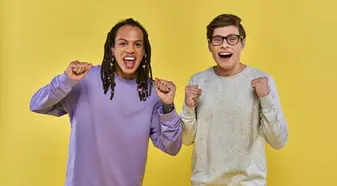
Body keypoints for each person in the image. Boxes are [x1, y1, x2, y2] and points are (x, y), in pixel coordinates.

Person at [29, 18, 183, 186]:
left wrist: (168, 106)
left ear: (144, 51)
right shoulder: (85, 80)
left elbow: (171, 147)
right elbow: (37, 104)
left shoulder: (153, 92)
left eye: (138, 44)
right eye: (123, 43)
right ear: (112, 49)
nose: (130, 49)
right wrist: (65, 80)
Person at [180, 14, 289, 186]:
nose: (224, 44)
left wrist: (266, 99)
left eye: (231, 39)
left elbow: (278, 141)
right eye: (217, 39)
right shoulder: (198, 81)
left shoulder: (262, 80)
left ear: (242, 43)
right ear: (209, 45)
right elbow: (185, 140)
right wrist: (188, 108)